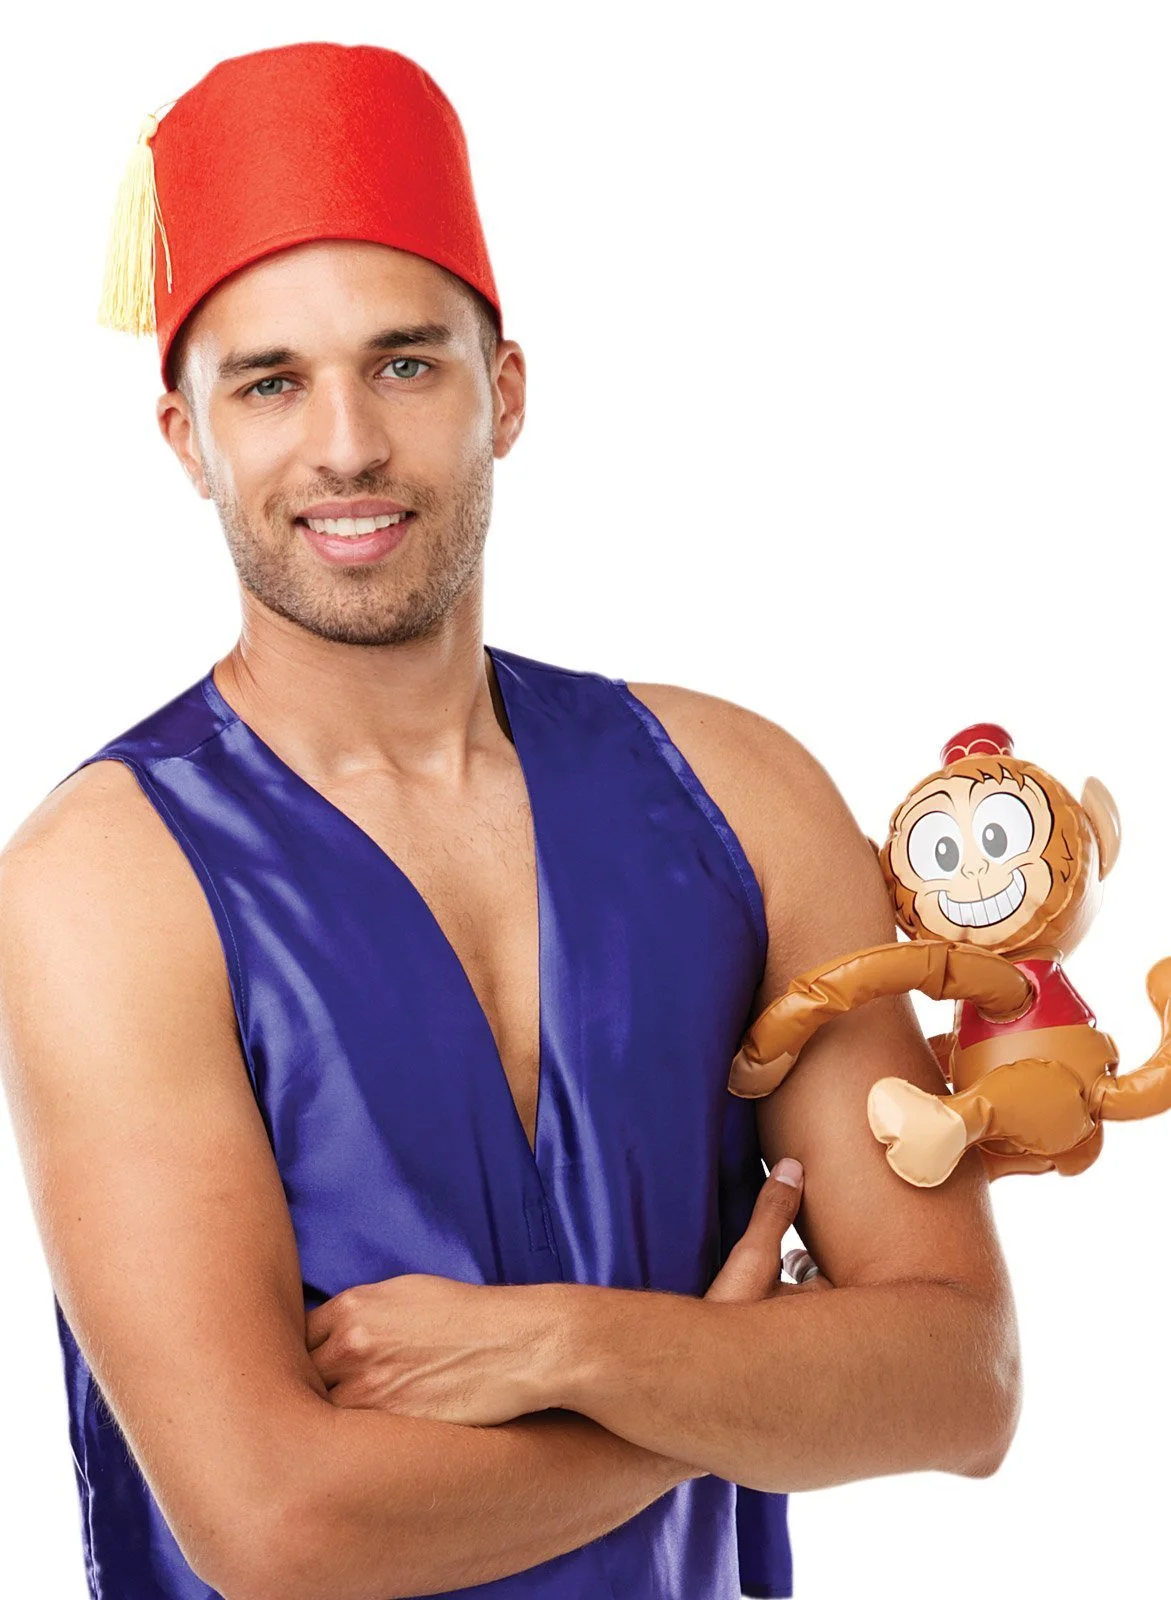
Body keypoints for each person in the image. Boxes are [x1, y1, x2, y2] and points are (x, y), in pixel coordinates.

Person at [0, 40, 1019, 1600]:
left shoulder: (743, 798)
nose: (347, 442)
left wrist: (566, 1345)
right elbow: (279, 1525)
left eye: (406, 363)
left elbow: (960, 1381)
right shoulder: (105, 884)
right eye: (270, 382)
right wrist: (724, 1391)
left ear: (508, 392)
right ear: (186, 437)